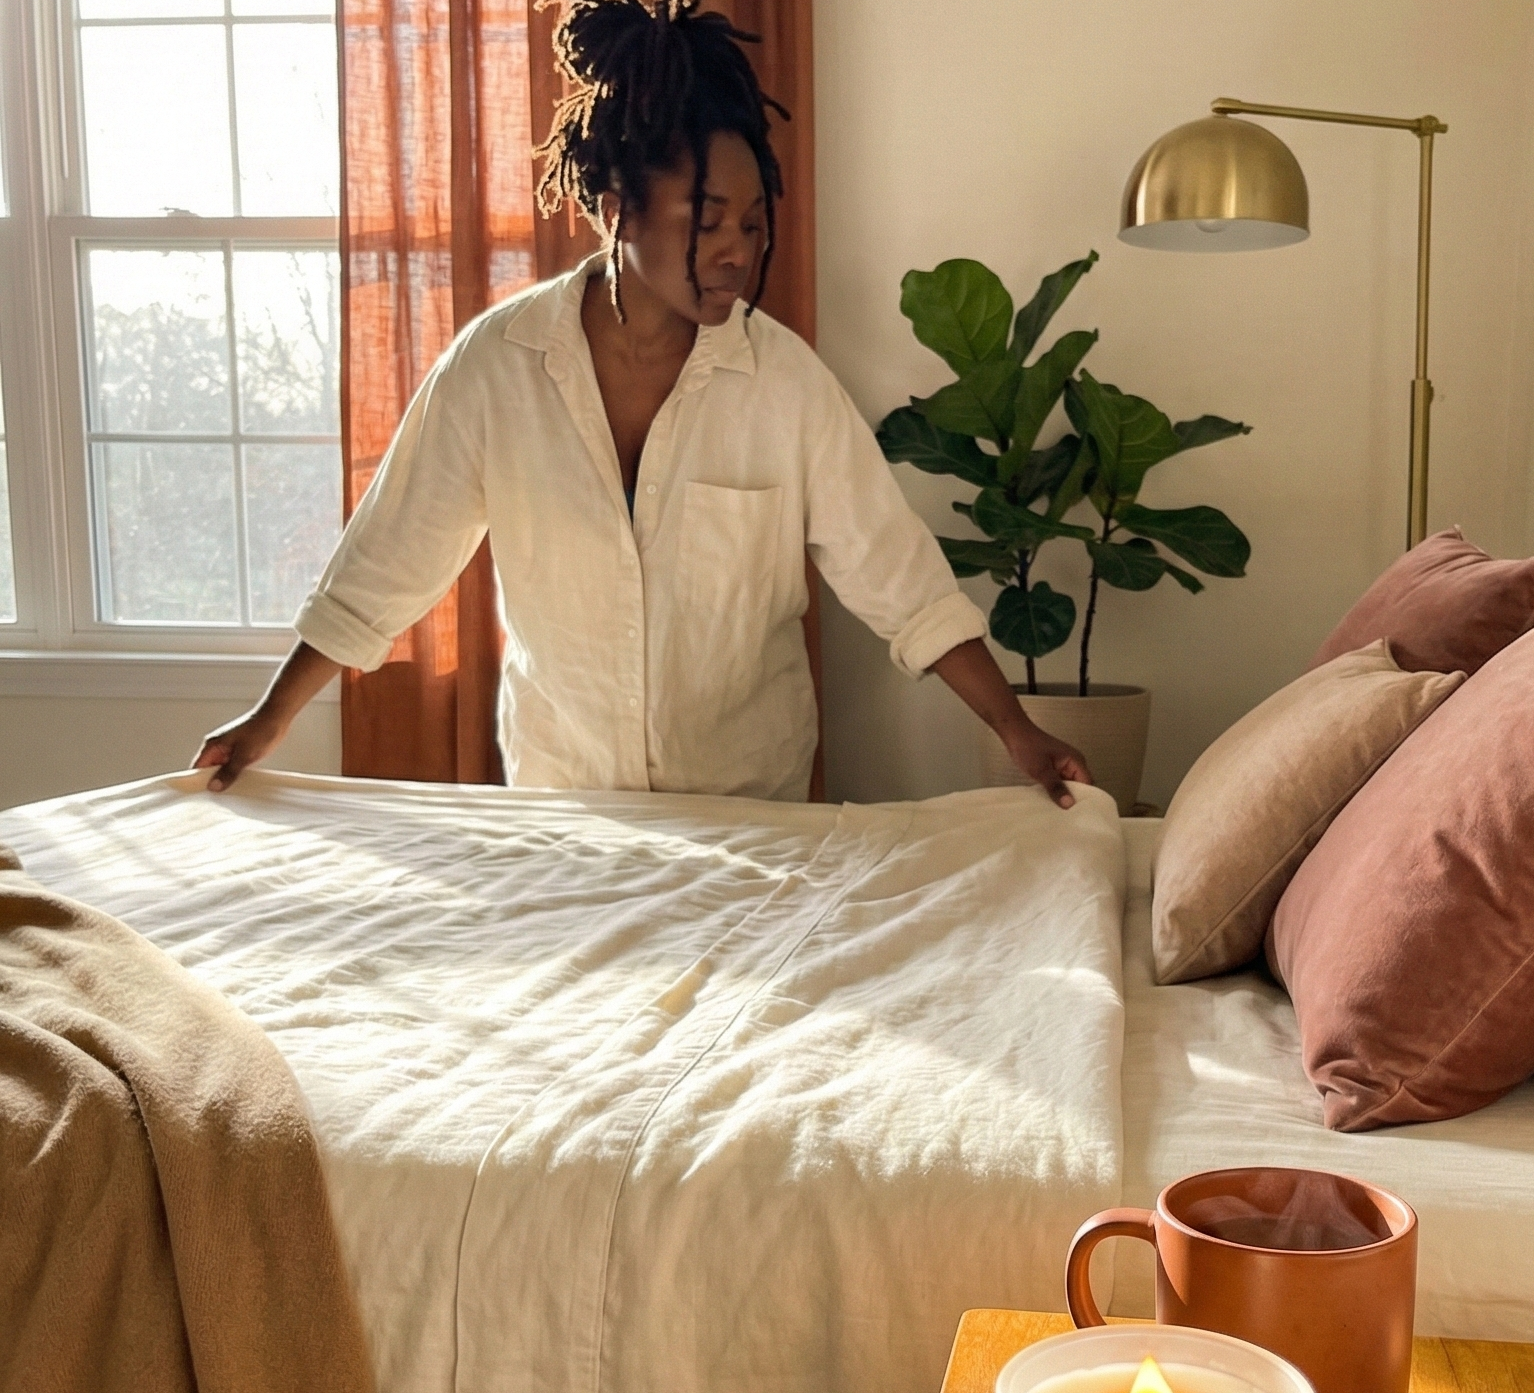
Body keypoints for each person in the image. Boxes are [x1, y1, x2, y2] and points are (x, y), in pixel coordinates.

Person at [194, 0, 1091, 807]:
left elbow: (901, 582)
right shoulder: (494, 369)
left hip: (751, 818)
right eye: (707, 221)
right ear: (617, 210)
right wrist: (269, 718)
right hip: (568, 815)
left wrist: (1016, 729)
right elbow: (386, 564)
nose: (738, 251)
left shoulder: (786, 385)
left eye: (753, 224)